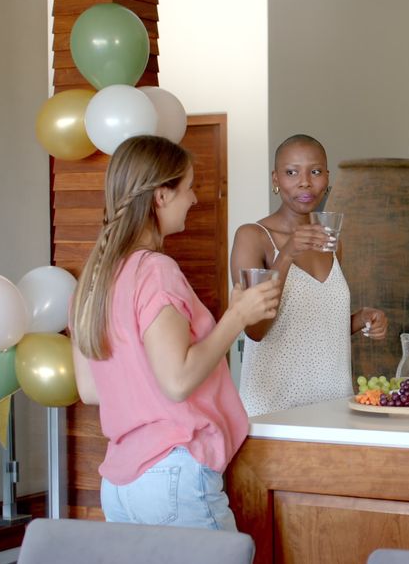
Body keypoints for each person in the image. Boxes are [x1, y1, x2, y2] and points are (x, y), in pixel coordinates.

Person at [69, 135, 282, 531]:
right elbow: (178, 381)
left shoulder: (93, 278)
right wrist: (236, 316)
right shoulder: (155, 270)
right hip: (172, 474)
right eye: (188, 187)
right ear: (161, 197)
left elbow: (92, 390)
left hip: (120, 484)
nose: (195, 199)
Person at [229, 134, 387, 416]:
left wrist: (360, 319)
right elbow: (254, 330)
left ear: (327, 178)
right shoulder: (253, 237)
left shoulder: (332, 243)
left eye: (315, 172)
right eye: (292, 172)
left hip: (334, 403)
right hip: (274, 407)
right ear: (275, 179)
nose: (305, 182)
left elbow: (312, 325)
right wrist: (287, 253)